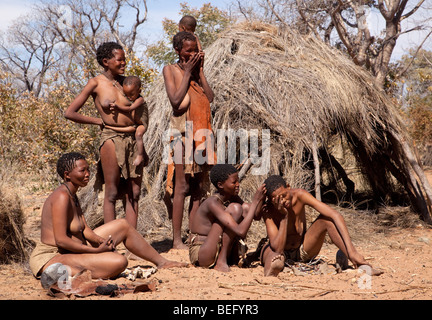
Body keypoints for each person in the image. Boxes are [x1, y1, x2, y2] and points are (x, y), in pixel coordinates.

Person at [29, 152, 186, 283]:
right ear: (67, 175)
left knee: (123, 225)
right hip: (53, 256)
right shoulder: (61, 197)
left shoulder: (72, 194)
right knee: (120, 262)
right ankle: (60, 272)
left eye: (88, 170)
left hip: (74, 250)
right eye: (82, 171)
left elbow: (84, 229)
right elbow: (61, 240)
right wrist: (94, 251)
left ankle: (161, 262)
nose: (87, 174)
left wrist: (100, 241)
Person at [65, 42, 146, 228]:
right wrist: (98, 121)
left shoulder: (128, 83)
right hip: (110, 137)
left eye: (125, 59)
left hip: (133, 138)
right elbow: (70, 112)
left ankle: (132, 241)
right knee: (111, 192)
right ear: (106, 61)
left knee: (133, 192)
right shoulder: (96, 83)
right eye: (120, 60)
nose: (124, 63)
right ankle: (111, 242)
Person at [258, 175, 383, 277]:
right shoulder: (268, 210)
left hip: (303, 250)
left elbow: (335, 215)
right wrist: (284, 217)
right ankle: (270, 274)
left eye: (284, 196)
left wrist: (352, 251)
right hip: (281, 253)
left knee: (327, 220)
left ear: (289, 187)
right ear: (270, 200)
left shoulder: (300, 195)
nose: (283, 201)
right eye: (277, 200)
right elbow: (278, 248)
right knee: (271, 253)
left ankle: (358, 263)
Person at [162, 31, 216, 249]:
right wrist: (186, 73)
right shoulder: (171, 70)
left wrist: (200, 72)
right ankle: (176, 240)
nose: (193, 54)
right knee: (181, 186)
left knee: (197, 188)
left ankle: (193, 235)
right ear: (177, 50)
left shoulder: (196, 73)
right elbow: (175, 101)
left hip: (201, 135)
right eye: (188, 50)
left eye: (195, 50)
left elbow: (210, 98)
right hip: (182, 134)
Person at [188, 164, 265, 272]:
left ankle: (228, 258)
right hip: (202, 252)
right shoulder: (212, 202)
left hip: (215, 248)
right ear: (220, 185)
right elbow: (240, 231)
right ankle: (221, 261)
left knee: (246, 207)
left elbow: (255, 215)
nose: (238, 185)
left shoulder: (232, 196)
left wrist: (261, 199)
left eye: (238, 181)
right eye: (234, 182)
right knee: (235, 209)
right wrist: (255, 201)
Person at [107, 75, 149, 167]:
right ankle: (145, 155)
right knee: (136, 136)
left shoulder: (140, 100)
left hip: (142, 124)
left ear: (139, 91)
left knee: (138, 135)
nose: (129, 97)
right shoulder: (132, 98)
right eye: (127, 95)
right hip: (135, 123)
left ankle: (140, 156)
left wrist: (117, 107)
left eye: (132, 94)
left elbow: (130, 108)